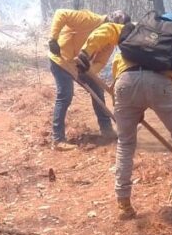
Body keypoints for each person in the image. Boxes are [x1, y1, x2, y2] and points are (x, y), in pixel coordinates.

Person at [81, 12, 172, 220]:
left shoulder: (135, 30)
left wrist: (85, 52)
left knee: (125, 143)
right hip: (159, 85)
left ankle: (123, 204)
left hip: (125, 85)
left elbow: (107, 30)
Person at [47, 9, 129, 150]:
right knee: (65, 95)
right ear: (109, 24)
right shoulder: (88, 19)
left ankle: (107, 130)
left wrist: (88, 70)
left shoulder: (110, 39)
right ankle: (58, 139)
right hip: (61, 59)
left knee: (97, 91)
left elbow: (100, 62)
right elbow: (61, 14)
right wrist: (53, 38)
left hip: (81, 66)